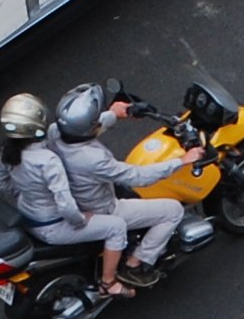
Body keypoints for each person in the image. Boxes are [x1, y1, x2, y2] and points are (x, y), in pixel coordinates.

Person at [0, 91, 141, 298]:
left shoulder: (8, 151)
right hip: (52, 227)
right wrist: (81, 220)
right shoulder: (47, 160)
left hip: (28, 217)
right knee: (116, 227)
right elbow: (65, 205)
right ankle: (109, 283)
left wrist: (24, 194)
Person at [50, 83, 187, 294]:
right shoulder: (94, 159)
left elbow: (82, 131)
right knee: (173, 210)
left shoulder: (55, 133)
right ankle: (137, 264)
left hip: (76, 198)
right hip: (102, 208)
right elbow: (137, 176)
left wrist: (113, 114)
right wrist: (182, 160)